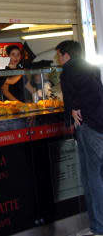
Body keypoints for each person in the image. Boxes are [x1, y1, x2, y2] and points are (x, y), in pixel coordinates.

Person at [56, 40, 103, 236]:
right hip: (98, 124)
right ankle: (96, 226)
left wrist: (72, 110)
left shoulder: (68, 70)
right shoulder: (91, 67)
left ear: (67, 55)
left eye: (58, 55)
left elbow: (70, 97)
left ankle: (99, 227)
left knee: (91, 177)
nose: (58, 59)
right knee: (95, 174)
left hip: (87, 126)